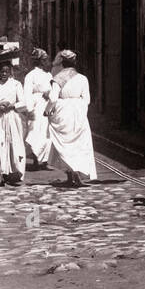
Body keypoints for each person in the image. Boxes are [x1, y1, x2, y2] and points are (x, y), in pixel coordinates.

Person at [46, 50, 97, 187]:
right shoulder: (82, 78)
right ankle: (77, 176)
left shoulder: (57, 79)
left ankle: (70, 175)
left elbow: (52, 98)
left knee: (64, 145)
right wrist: (79, 110)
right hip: (78, 112)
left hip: (63, 113)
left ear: (62, 63)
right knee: (79, 144)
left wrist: (47, 111)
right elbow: (87, 99)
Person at [0, 54, 27, 186]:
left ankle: (12, 172)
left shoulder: (16, 84)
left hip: (12, 118)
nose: (4, 74)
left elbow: (24, 102)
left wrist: (12, 105)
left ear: (10, 72)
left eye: (6, 71)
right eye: (2, 71)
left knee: (13, 144)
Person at [22, 48, 54, 168]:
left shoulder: (49, 75)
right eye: (45, 60)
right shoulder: (31, 75)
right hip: (36, 106)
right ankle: (36, 158)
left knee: (47, 133)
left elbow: (54, 89)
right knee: (35, 131)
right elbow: (27, 93)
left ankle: (45, 161)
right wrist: (29, 110)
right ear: (40, 61)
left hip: (47, 106)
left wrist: (49, 93)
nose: (47, 62)